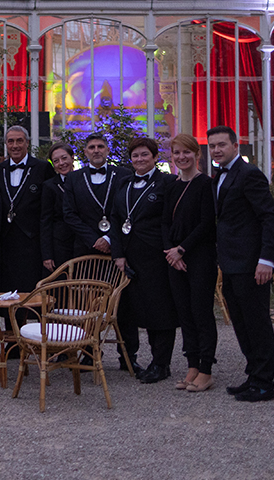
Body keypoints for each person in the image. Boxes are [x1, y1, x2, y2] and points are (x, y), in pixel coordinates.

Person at [208, 125, 274, 403]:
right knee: (240, 322)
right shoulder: (219, 175)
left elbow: (269, 218)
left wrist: (266, 260)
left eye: (221, 145)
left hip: (252, 264)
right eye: (212, 145)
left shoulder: (249, 174)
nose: (216, 150)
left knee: (257, 322)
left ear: (235, 146)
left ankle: (265, 384)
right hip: (230, 262)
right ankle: (253, 375)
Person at [63, 134, 133, 371]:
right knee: (85, 304)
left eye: (100, 146)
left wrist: (109, 237)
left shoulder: (123, 175)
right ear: (85, 151)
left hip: (118, 249)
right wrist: (94, 239)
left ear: (107, 149)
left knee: (122, 304)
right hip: (86, 249)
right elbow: (69, 214)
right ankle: (88, 352)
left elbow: (128, 210)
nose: (96, 150)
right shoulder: (73, 178)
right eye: (91, 147)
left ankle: (128, 357)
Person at [110, 137, 178, 385]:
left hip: (156, 256)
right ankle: (130, 358)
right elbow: (116, 220)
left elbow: (173, 220)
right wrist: (118, 254)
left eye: (144, 155)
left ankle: (161, 363)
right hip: (129, 257)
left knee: (159, 311)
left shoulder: (167, 182)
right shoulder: (124, 183)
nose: (139, 159)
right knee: (131, 309)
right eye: (135, 156)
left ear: (155, 157)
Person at [162, 133, 218, 393]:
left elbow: (207, 223)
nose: (182, 157)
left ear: (196, 154)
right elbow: (165, 223)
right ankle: (192, 365)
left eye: (187, 152)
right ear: (171, 157)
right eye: (177, 153)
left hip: (199, 258)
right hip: (175, 259)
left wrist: (183, 249)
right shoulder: (171, 186)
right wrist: (171, 253)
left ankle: (206, 370)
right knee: (185, 314)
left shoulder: (206, 184)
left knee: (201, 313)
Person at [0, 125, 52, 293]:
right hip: (6, 239)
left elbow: (48, 206)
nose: (15, 145)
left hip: (32, 239)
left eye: (19, 141)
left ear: (27, 143)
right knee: (7, 286)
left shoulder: (42, 168)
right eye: (11, 141)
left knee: (30, 287)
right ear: (6, 144)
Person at [40, 141, 76, 274]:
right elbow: (45, 221)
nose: (61, 163)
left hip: (83, 243)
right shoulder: (49, 186)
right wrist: (47, 254)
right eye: (56, 161)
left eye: (64, 158)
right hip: (60, 245)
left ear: (72, 157)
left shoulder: (84, 180)